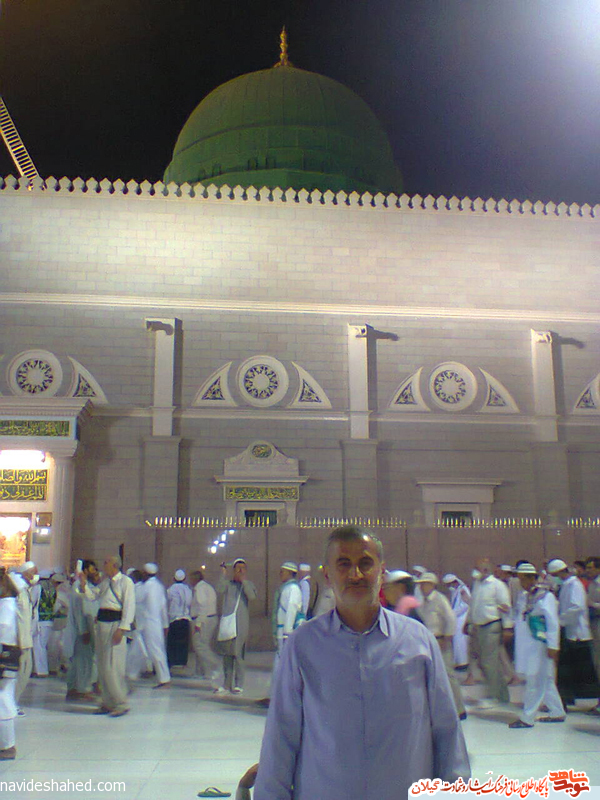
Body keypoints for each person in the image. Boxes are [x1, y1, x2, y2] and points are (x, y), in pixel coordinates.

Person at [253, 525, 470, 800]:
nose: (355, 574)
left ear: (381, 572)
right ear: (328, 575)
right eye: (344, 564)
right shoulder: (303, 645)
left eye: (365, 563)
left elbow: (445, 724)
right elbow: (282, 733)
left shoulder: (417, 640)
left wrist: (453, 788)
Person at [508, 563, 565, 728]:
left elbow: (552, 622)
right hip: (527, 645)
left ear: (531, 578)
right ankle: (557, 712)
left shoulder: (545, 596)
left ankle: (527, 718)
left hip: (540, 644)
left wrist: (553, 646)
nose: (520, 582)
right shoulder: (524, 595)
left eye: (522, 579)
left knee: (534, 680)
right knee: (546, 679)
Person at [78, 555, 135, 717]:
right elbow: (93, 596)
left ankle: (121, 702)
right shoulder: (105, 582)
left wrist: (122, 628)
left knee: (113, 665)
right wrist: (83, 584)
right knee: (102, 665)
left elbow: (129, 606)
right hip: (102, 625)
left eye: (106, 562)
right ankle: (107, 702)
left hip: (114, 625)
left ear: (115, 565)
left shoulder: (125, 582)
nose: (103, 565)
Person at [547, 558, 600, 711]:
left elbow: (576, 607)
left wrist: (560, 620)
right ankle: (566, 700)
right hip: (570, 631)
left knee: (575, 670)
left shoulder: (574, 585)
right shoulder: (566, 585)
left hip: (576, 633)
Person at [415, 572, 466, 719]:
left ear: (432, 585)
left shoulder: (440, 599)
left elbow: (451, 619)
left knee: (448, 675)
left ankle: (459, 709)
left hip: (440, 640)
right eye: (421, 584)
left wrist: (447, 637)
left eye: (425, 584)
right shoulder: (421, 601)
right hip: (426, 641)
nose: (422, 587)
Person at [465, 557, 513, 707]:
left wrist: (507, 628)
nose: (475, 571)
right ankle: (501, 694)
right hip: (478, 626)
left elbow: (506, 608)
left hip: (491, 626)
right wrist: (468, 621)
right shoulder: (477, 584)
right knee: (483, 662)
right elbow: (474, 605)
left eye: (477, 568)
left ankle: (495, 696)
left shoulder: (497, 585)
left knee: (489, 662)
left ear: (485, 570)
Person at [216, 559, 257, 695]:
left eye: (242, 568)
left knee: (239, 654)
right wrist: (223, 574)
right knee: (227, 654)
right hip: (228, 624)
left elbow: (252, 596)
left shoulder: (248, 584)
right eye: (237, 568)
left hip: (241, 625)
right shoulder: (228, 584)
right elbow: (219, 589)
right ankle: (226, 684)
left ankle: (239, 684)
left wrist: (243, 581)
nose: (240, 570)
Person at [64, 560, 99, 701]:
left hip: (82, 629)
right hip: (82, 630)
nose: (94, 572)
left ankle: (73, 688)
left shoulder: (85, 585)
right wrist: (84, 630)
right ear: (84, 571)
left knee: (77, 660)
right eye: (92, 569)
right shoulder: (79, 586)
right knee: (85, 661)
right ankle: (83, 689)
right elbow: (79, 611)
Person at [139, 563, 170, 688]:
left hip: (148, 623)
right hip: (157, 623)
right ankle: (163, 677)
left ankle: (164, 679)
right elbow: (163, 607)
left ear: (146, 573)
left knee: (155, 650)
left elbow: (138, 601)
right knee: (158, 649)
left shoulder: (146, 586)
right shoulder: (159, 586)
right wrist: (165, 624)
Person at [0, 568, 20, 759]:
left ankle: (8, 746)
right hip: (8, 653)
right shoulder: (8, 603)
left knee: (3, 698)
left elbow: (4, 628)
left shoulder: (7, 605)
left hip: (4, 655)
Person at [14, 561, 38, 709]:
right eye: (33, 572)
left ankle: (13, 702)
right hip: (18, 640)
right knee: (18, 672)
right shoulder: (17, 591)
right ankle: (10, 703)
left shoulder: (26, 590)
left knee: (25, 671)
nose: (35, 576)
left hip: (26, 639)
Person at [189, 569, 220, 686]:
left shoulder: (200, 589)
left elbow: (202, 607)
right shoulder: (207, 587)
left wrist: (198, 623)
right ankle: (202, 671)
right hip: (210, 618)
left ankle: (215, 664)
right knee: (202, 645)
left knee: (200, 646)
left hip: (203, 620)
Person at [272, 562, 303, 670]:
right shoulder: (286, 588)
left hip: (286, 631)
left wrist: (287, 632)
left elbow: (291, 609)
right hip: (282, 629)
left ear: (290, 573)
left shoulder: (293, 589)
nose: (280, 574)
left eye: (283, 572)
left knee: (285, 660)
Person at [442, 574, 470, 669]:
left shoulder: (463, 590)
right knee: (456, 641)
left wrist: (453, 613)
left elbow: (466, 604)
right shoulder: (456, 590)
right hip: (456, 619)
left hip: (462, 618)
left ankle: (463, 663)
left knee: (460, 641)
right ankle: (458, 662)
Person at [166, 569, 192, 668]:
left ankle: (173, 661)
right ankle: (182, 662)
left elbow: (167, 602)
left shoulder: (171, 589)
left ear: (174, 578)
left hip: (174, 619)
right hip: (185, 619)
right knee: (183, 643)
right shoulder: (188, 589)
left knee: (173, 643)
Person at [585, 556, 600, 715]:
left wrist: (592, 604)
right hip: (594, 625)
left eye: (590, 567)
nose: (588, 570)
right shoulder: (591, 584)